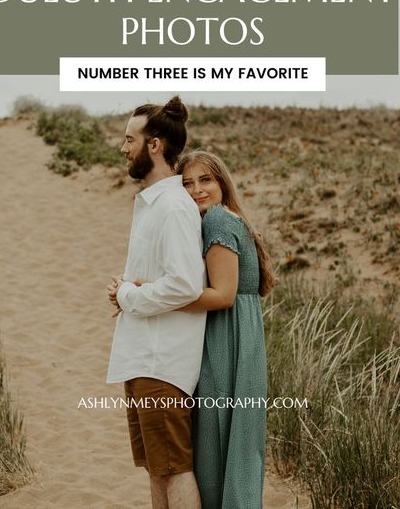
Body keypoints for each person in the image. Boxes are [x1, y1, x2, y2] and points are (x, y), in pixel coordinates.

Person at [106, 98, 207, 509]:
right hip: (143, 356)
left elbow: (184, 284)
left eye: (130, 139)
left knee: (173, 468)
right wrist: (130, 290)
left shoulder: (174, 207)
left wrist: (128, 295)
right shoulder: (154, 204)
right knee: (156, 467)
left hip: (161, 361)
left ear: (155, 145)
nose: (122, 147)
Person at [175, 150, 275, 509]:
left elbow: (223, 295)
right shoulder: (230, 217)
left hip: (226, 340)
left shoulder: (216, 221)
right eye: (187, 183)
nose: (196, 190)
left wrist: (158, 298)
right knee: (240, 445)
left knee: (217, 441)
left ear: (221, 181)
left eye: (205, 180)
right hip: (244, 340)